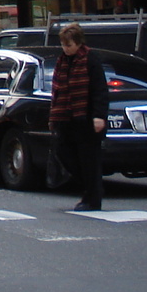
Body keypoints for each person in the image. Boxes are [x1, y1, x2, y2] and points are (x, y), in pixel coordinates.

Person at [50, 22, 110, 212]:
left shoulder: (90, 59)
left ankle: (92, 198)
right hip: (66, 116)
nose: (65, 49)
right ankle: (91, 188)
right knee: (63, 152)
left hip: (85, 117)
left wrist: (99, 116)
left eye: (69, 45)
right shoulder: (62, 61)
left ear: (78, 43)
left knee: (88, 159)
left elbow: (99, 90)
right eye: (63, 45)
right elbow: (58, 90)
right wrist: (54, 115)